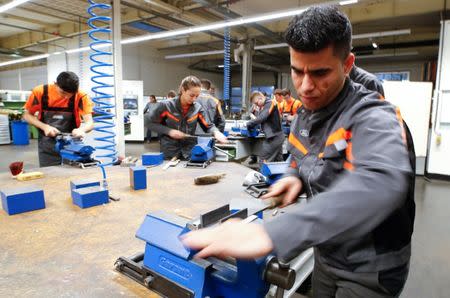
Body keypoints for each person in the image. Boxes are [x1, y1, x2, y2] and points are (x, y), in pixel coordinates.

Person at [183, 5, 415, 298]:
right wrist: (295, 175)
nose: (305, 86)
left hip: (369, 267)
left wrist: (271, 234)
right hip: (327, 253)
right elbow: (301, 153)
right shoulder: (308, 110)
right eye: (297, 70)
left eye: (319, 72)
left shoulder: (373, 115)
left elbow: (379, 183)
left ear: (347, 64)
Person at [145, 76, 227, 160]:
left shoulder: (198, 108)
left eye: (197, 96)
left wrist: (216, 132)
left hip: (189, 151)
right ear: (183, 90)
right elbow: (149, 122)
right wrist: (169, 131)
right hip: (170, 151)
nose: (194, 99)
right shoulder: (166, 106)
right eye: (192, 95)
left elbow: (208, 125)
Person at [23, 71, 94, 167]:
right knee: (50, 176)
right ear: (55, 84)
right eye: (63, 93)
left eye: (71, 94)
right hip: (47, 144)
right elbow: (27, 115)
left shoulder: (81, 96)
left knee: (72, 176)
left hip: (72, 146)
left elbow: (90, 122)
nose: (66, 97)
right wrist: (45, 127)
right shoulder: (40, 92)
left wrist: (82, 130)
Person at [246, 91, 284, 163]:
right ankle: (279, 174)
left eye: (257, 103)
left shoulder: (270, 103)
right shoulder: (265, 105)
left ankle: (263, 174)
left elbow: (262, 117)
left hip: (274, 137)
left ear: (260, 98)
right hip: (277, 136)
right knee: (278, 160)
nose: (257, 105)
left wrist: (249, 124)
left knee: (263, 158)